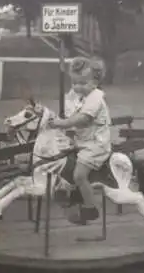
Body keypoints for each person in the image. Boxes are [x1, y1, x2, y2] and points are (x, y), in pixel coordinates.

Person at [48, 56, 112, 224]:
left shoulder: (96, 98)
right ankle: (73, 195)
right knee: (60, 159)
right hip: (82, 143)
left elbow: (83, 119)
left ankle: (91, 208)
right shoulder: (81, 95)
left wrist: (62, 123)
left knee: (79, 175)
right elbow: (70, 110)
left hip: (95, 145)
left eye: (82, 83)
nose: (77, 87)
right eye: (74, 83)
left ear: (95, 82)